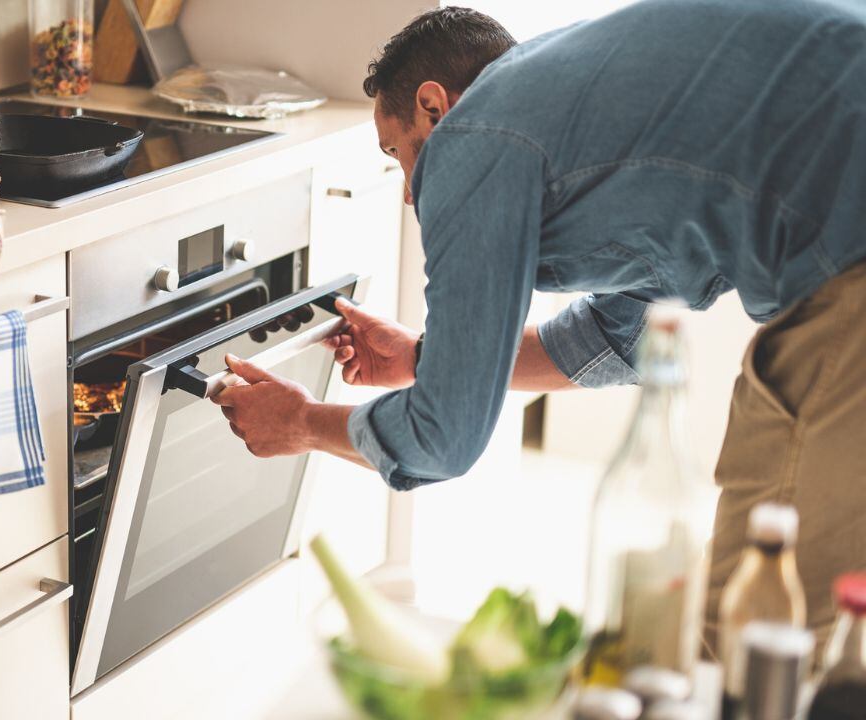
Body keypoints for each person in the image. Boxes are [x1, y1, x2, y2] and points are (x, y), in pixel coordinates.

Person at [211, 0, 866, 653]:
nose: (411, 190)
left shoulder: (475, 136)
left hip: (848, 259)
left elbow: (443, 440)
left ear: (437, 108)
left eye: (399, 152)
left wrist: (300, 423)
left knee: (751, 626)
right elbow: (620, 342)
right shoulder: (584, 115)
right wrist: (422, 357)